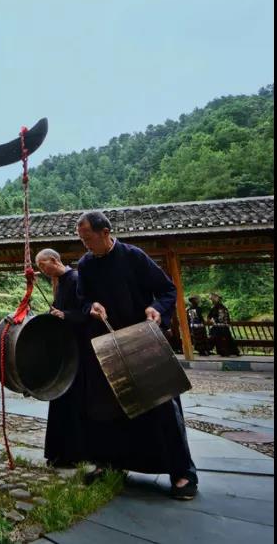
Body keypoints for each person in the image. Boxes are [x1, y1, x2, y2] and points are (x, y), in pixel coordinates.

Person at [75, 211, 198, 501]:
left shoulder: (134, 257)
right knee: (106, 407)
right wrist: (91, 307)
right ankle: (109, 464)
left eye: (88, 238)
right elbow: (82, 299)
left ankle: (181, 472)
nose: (85, 244)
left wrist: (157, 309)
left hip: (143, 341)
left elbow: (167, 290)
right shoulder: (85, 264)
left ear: (105, 232)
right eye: (81, 239)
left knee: (162, 405)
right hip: (107, 343)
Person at [36, 248, 90, 468]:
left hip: (78, 351)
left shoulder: (76, 279)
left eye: (42, 266)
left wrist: (64, 315)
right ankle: (58, 453)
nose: (42, 271)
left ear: (54, 260)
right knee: (60, 399)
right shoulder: (60, 283)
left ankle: (73, 454)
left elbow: (86, 313)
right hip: (65, 351)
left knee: (74, 402)